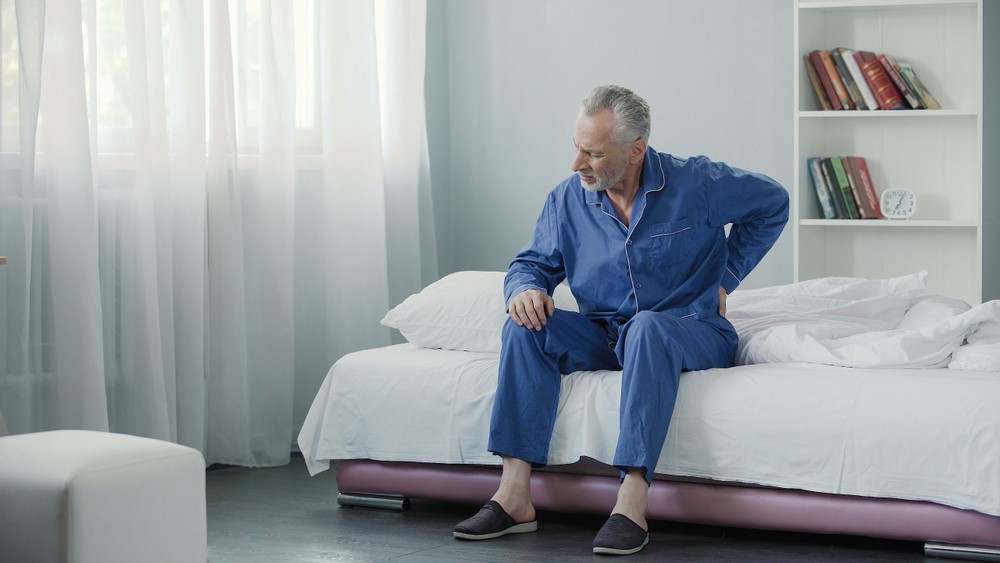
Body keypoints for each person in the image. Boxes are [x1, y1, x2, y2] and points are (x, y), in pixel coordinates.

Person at [452, 85, 789, 556]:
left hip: (689, 330)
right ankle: (513, 496)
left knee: (649, 325)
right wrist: (525, 289)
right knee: (525, 325)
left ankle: (631, 500)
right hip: (607, 337)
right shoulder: (567, 200)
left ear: (636, 151)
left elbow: (774, 202)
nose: (576, 163)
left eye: (592, 153)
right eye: (576, 146)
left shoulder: (698, 183)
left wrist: (727, 275)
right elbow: (532, 263)